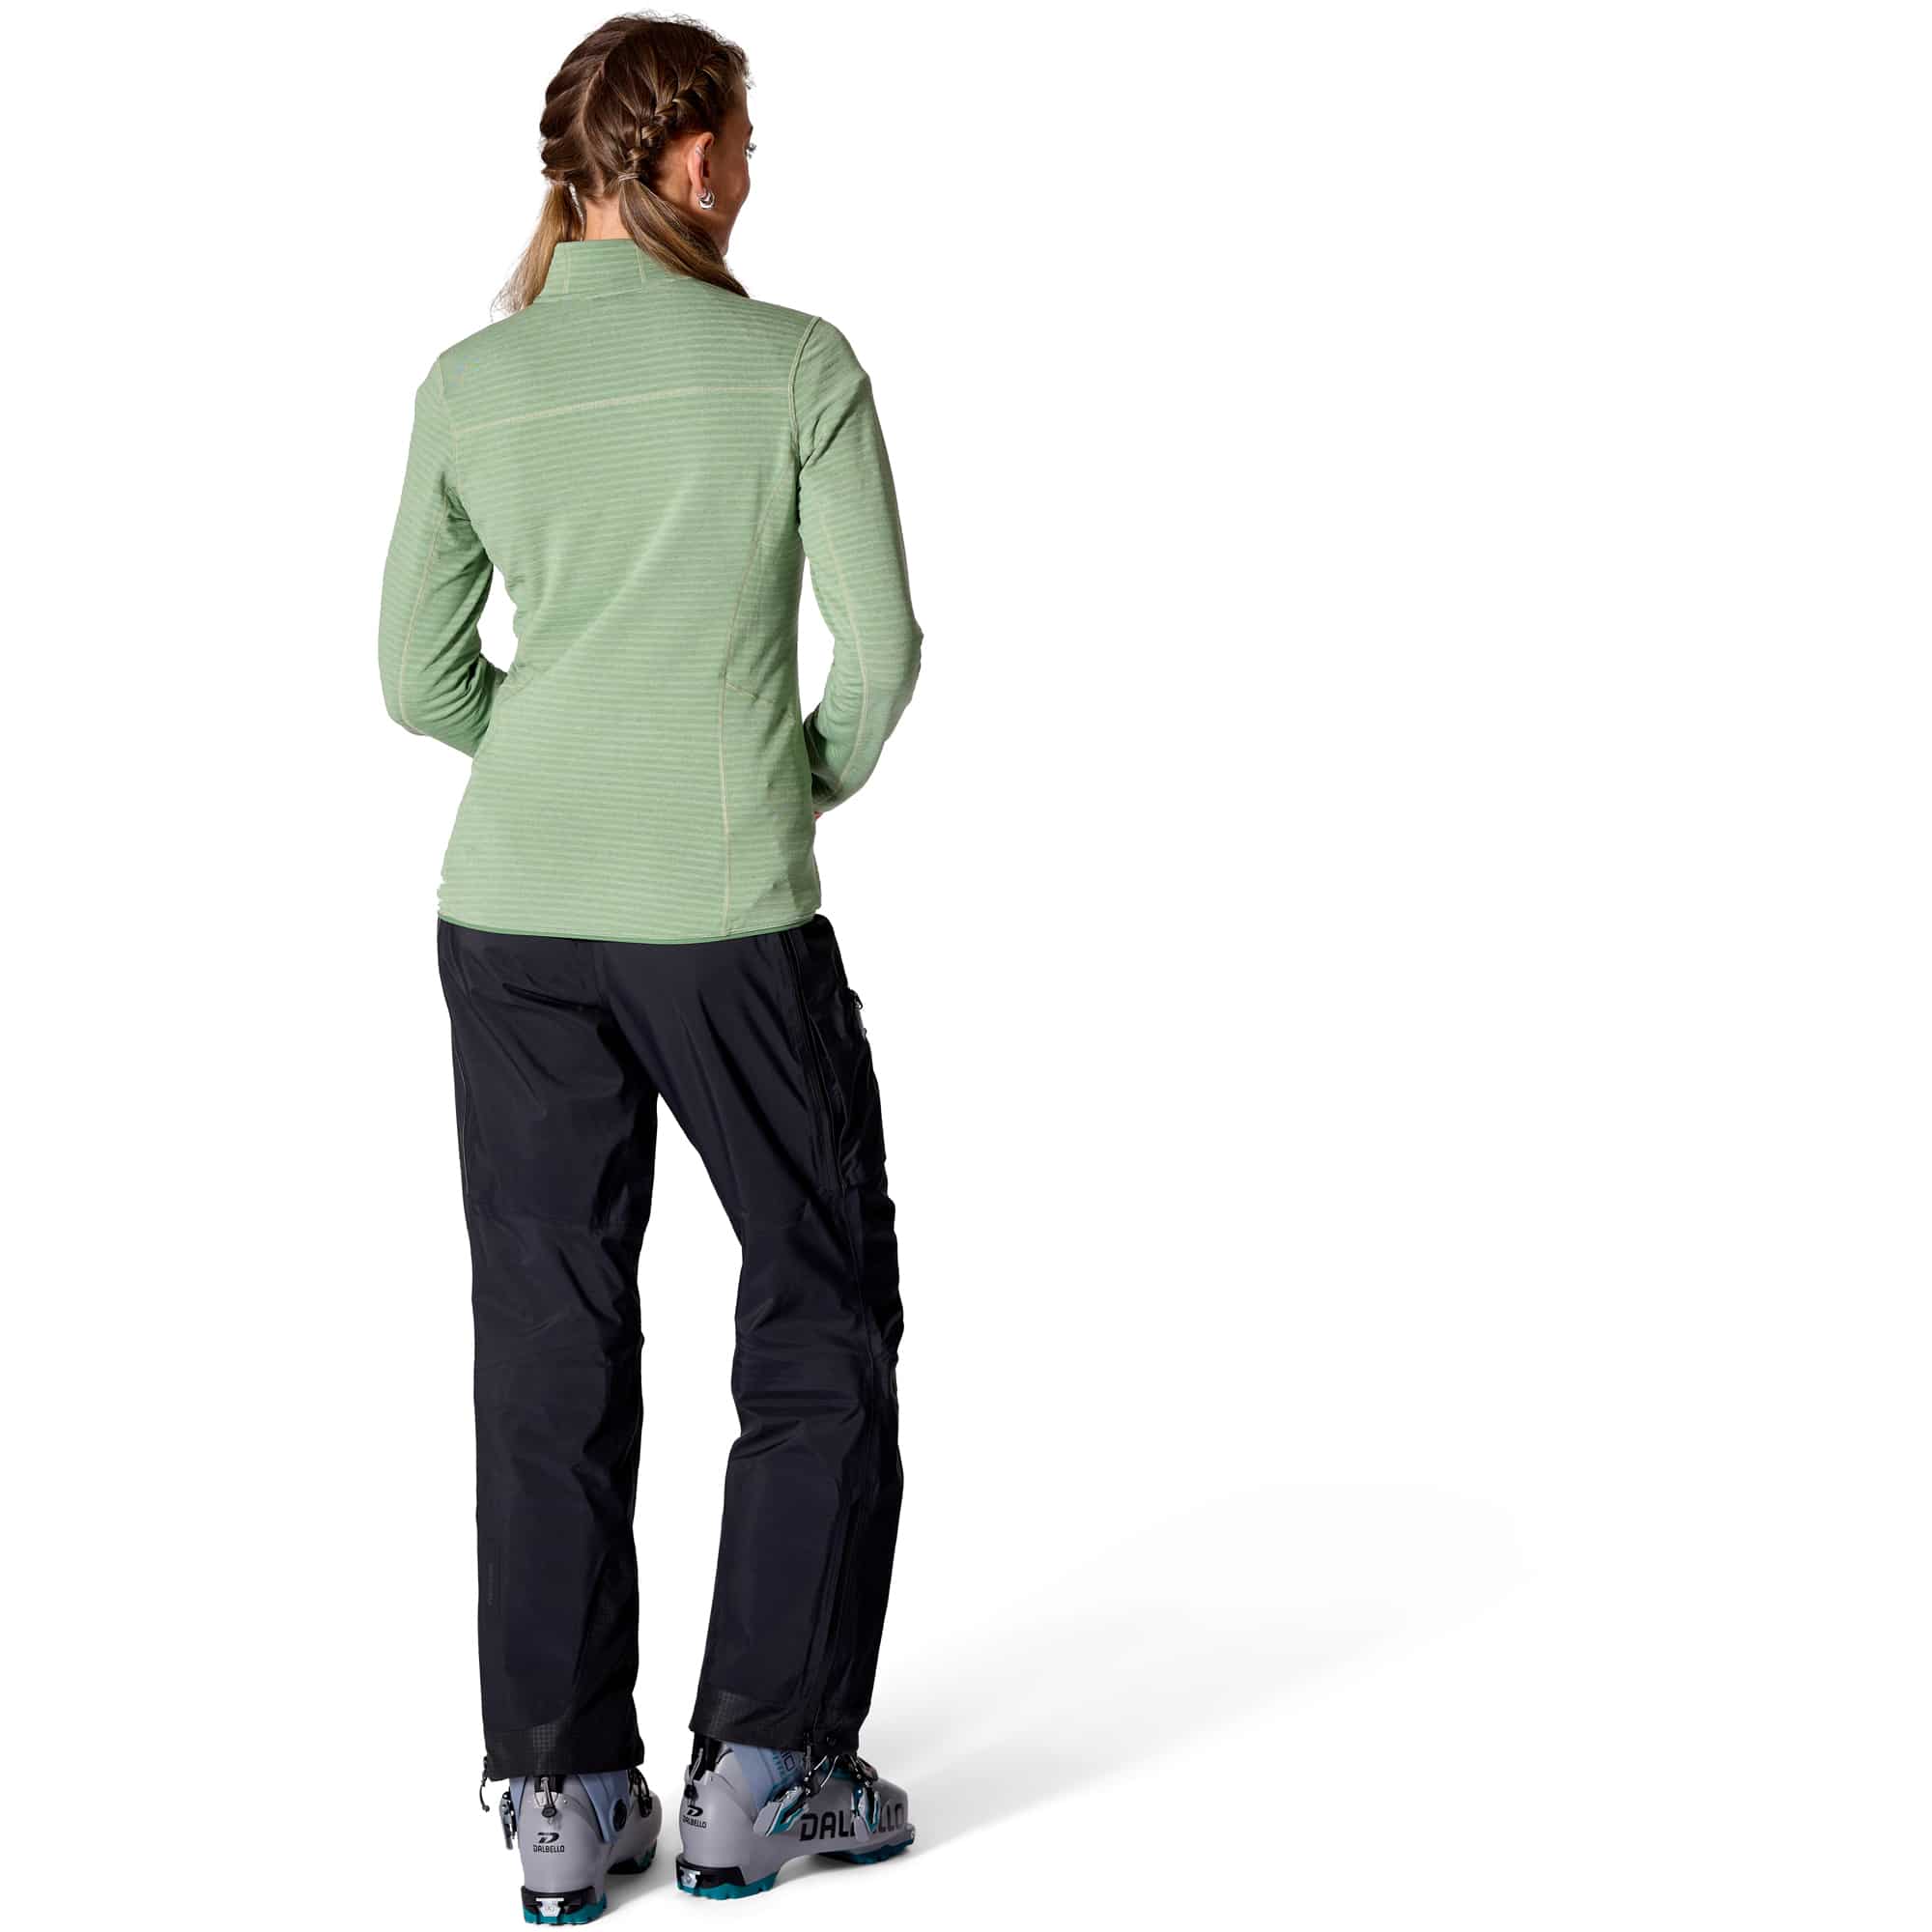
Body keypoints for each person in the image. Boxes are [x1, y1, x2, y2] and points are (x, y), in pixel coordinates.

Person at [376, 14, 921, 1918]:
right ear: (690, 160)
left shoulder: (475, 382)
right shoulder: (796, 366)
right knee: (819, 1310)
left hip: (509, 915)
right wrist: (781, 782)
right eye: (744, 142)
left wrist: (552, 757)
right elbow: (880, 656)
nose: (750, 172)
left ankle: (561, 1793)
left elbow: (417, 679)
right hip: (725, 916)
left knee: (548, 1337)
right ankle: (764, 1771)